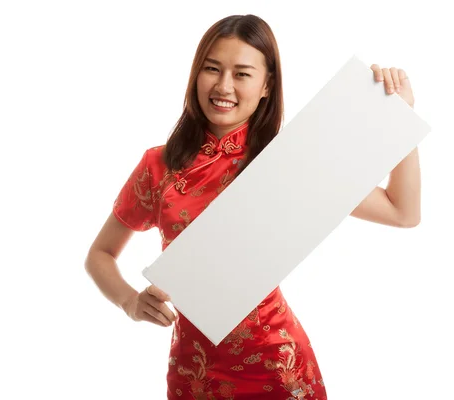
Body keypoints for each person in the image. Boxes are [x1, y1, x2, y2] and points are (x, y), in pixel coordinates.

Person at [85, 14, 420, 400]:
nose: (223, 86)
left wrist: (401, 119)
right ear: (196, 75)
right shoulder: (159, 166)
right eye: (212, 69)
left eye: (242, 73)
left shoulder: (288, 161)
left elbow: (402, 212)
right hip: (194, 373)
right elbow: (100, 254)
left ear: (266, 86)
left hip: (279, 368)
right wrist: (129, 301)